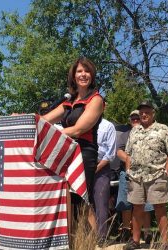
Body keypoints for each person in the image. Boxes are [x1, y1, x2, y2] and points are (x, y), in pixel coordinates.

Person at [42, 57, 104, 228]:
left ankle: (91, 243)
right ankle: (71, 240)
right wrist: (24, 120)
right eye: (79, 71)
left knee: (82, 200)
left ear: (92, 75)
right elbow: (44, 120)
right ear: (73, 76)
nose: (83, 74)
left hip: (84, 152)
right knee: (67, 199)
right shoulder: (69, 101)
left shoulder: (96, 99)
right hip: (66, 151)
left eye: (87, 71)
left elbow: (78, 130)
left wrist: (53, 134)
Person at [123, 101, 168, 250]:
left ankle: (164, 243)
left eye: (147, 112)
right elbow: (128, 153)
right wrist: (128, 171)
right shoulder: (134, 131)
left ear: (153, 113)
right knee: (137, 208)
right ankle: (135, 241)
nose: (144, 114)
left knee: (159, 208)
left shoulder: (163, 129)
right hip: (136, 176)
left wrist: (166, 171)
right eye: (141, 112)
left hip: (157, 174)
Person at [115, 110, 154, 244]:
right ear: (130, 120)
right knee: (125, 202)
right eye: (133, 119)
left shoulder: (150, 132)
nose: (135, 120)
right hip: (126, 172)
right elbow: (119, 151)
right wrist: (130, 160)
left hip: (146, 172)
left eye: (137, 118)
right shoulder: (125, 134)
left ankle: (147, 231)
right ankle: (126, 230)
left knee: (146, 202)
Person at [93, 118, 116, 247]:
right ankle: (85, 235)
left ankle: (101, 237)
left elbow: (111, 153)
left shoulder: (108, 126)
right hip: (82, 165)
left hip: (101, 166)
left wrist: (97, 168)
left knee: (101, 203)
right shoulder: (82, 122)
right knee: (83, 203)